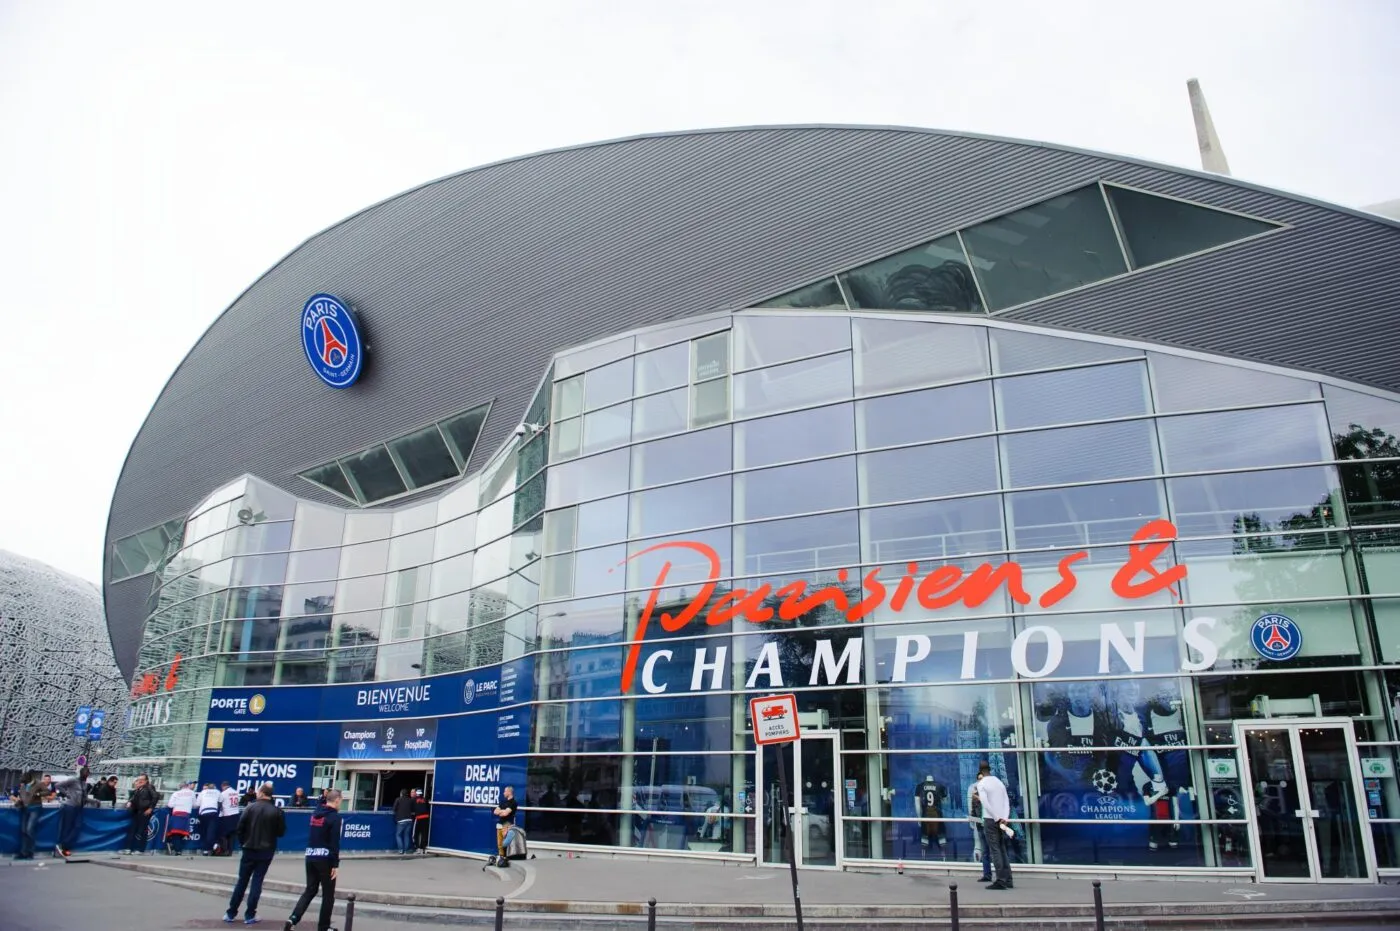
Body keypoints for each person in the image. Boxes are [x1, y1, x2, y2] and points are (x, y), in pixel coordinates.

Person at [224, 782, 286, 925]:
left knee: (242, 881)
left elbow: (240, 828)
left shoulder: (250, 807)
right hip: (266, 850)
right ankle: (250, 914)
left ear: (262, 793)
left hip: (249, 848)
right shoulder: (277, 811)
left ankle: (231, 912)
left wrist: (243, 843)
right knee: (257, 882)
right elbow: (281, 832)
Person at [282, 788, 343, 931]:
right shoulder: (335, 818)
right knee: (328, 894)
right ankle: (324, 926)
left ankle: (293, 919)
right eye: (341, 800)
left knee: (310, 890)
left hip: (310, 855)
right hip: (325, 858)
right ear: (337, 800)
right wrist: (335, 864)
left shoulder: (316, 814)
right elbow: (334, 842)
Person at [974, 763, 1013, 891]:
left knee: (995, 850)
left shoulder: (981, 784)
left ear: (980, 771)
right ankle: (1008, 879)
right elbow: (1006, 801)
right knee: (1002, 849)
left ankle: (1000, 880)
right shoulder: (998, 782)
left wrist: (996, 818)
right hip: (1002, 819)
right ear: (990, 770)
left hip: (991, 820)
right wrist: (1004, 818)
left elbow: (985, 803)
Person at [52, 767, 91, 858]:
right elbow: (58, 785)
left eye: (88, 773)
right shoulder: (73, 780)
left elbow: (84, 797)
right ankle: (62, 848)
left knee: (77, 826)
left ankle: (64, 846)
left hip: (78, 808)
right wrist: (66, 793)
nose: (86, 775)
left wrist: (94, 801)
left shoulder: (84, 784)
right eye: (85, 773)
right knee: (66, 827)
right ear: (81, 773)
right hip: (69, 806)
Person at [10, 771, 49, 860]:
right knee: (24, 831)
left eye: (24, 781)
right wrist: (19, 802)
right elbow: (23, 796)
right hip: (25, 808)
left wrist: (38, 794)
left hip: (35, 808)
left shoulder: (39, 783)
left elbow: (47, 792)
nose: (23, 783)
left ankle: (30, 852)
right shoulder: (23, 785)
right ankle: (23, 852)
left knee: (29, 829)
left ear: (29, 779)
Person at [966, 776, 991, 882]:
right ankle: (983, 869)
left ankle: (980, 867)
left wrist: (972, 821)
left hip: (982, 821)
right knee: (988, 847)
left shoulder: (972, 787)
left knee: (980, 846)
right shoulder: (989, 786)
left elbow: (970, 807)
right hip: (987, 821)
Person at [126, 774, 158, 855]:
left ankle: (140, 850)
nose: (140, 781)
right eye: (139, 779)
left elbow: (156, 796)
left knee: (142, 831)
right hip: (136, 811)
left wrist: (150, 808)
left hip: (144, 811)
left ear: (146, 781)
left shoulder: (149, 787)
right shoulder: (138, 789)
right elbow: (133, 797)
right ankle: (128, 848)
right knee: (132, 830)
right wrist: (130, 802)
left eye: (142, 779)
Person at [165, 781, 197, 855]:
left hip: (176, 814)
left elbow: (170, 805)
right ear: (187, 786)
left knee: (175, 833)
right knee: (182, 833)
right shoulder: (192, 793)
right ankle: (177, 848)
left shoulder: (176, 793)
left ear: (180, 787)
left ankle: (177, 849)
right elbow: (195, 805)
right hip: (185, 815)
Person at [492, 786, 518, 863]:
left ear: (509, 792)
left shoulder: (513, 802)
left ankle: (506, 859)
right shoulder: (503, 802)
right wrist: (502, 811)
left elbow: (505, 814)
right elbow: (495, 812)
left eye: (505, 791)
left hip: (507, 825)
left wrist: (501, 812)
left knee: (506, 844)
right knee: (499, 844)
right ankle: (501, 859)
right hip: (499, 825)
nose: (503, 793)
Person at [197, 782, 224, 855]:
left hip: (203, 813)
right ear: (214, 787)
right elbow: (221, 802)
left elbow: (197, 804)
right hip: (213, 813)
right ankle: (214, 846)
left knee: (205, 832)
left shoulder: (203, 792)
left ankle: (206, 850)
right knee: (210, 832)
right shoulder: (218, 792)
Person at [216, 781, 242, 855]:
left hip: (227, 815)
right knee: (232, 835)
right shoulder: (236, 792)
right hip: (236, 815)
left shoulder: (223, 793)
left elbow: (219, 804)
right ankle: (230, 851)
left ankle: (224, 850)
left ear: (223, 786)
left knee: (223, 834)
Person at [392, 789, 415, 855]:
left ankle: (401, 850)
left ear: (401, 794)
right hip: (409, 820)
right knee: (406, 835)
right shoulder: (410, 800)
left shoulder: (398, 799)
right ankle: (406, 851)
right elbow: (413, 810)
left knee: (398, 835)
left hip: (401, 820)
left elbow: (394, 809)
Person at [412, 789, 431, 853]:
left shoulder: (414, 799)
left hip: (418, 818)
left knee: (415, 834)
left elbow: (412, 809)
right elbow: (428, 808)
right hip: (426, 818)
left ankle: (417, 848)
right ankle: (423, 848)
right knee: (424, 833)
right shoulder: (425, 799)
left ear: (416, 794)